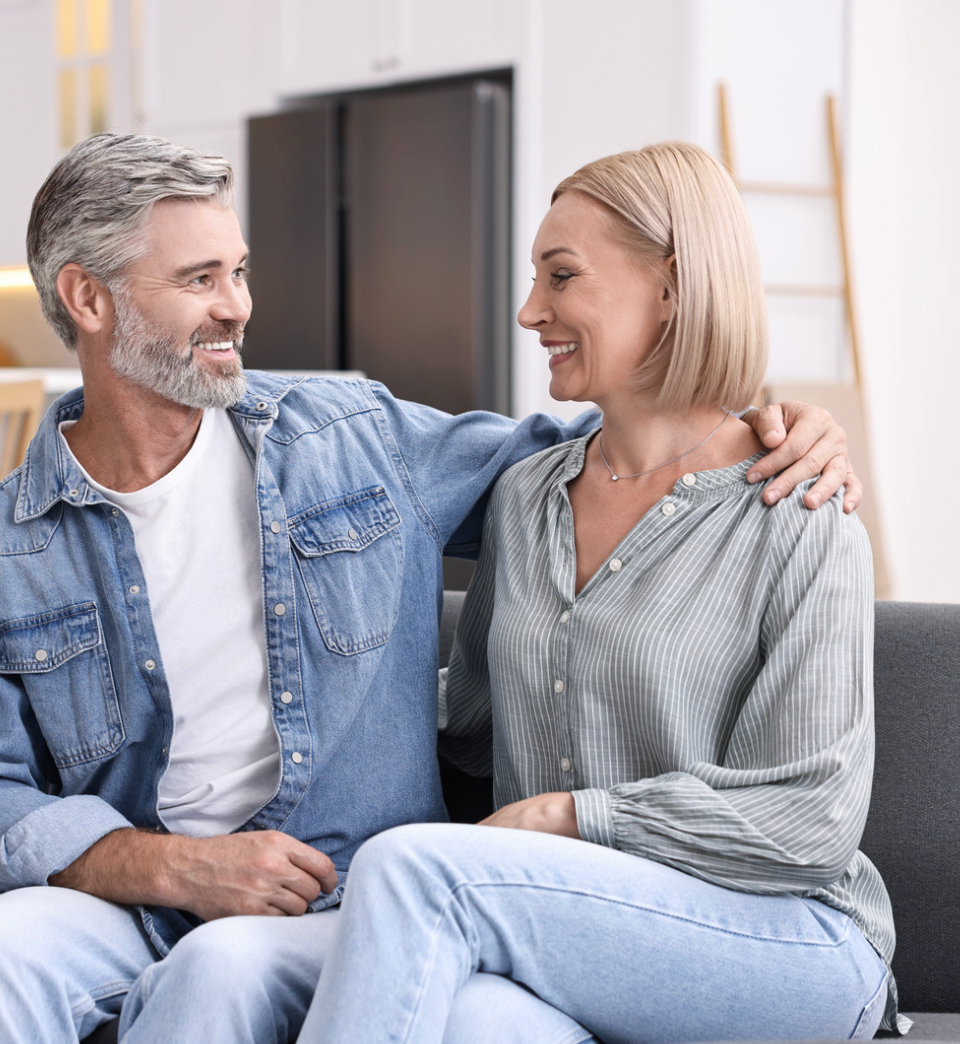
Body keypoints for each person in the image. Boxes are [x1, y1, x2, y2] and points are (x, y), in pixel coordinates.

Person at [0, 133, 863, 1044]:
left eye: (238, 271)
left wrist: (770, 424)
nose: (239, 305)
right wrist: (167, 867)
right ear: (88, 299)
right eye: (201, 279)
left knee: (230, 967)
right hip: (145, 890)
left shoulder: (354, 442)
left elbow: (631, 461)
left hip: (345, 884)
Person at [296, 141, 897, 1044]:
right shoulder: (527, 498)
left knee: (417, 872)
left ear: (672, 286)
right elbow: (468, 742)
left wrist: (570, 817)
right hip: (575, 930)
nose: (531, 310)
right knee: (479, 1023)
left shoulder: (799, 512)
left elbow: (806, 821)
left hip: (781, 938)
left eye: (563, 276)